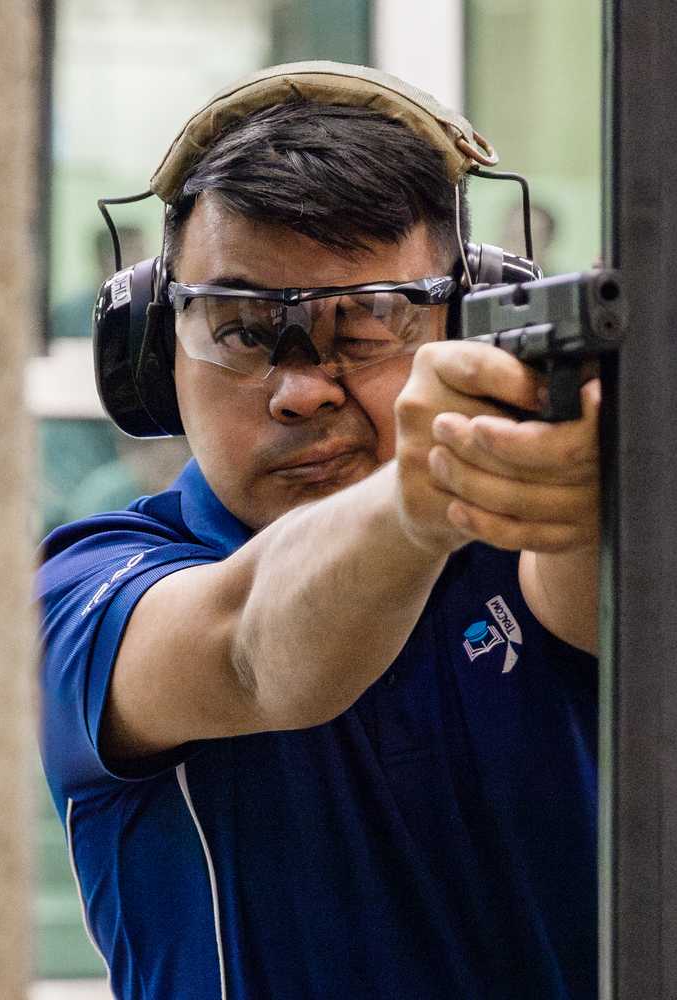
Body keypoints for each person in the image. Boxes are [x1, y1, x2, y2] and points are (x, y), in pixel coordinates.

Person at [36, 63, 601, 1000]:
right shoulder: (97, 586)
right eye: (241, 329)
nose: (301, 390)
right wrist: (422, 499)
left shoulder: (529, 534)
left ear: (465, 324)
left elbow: (597, 603)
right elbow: (252, 650)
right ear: (151, 348)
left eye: (370, 320)